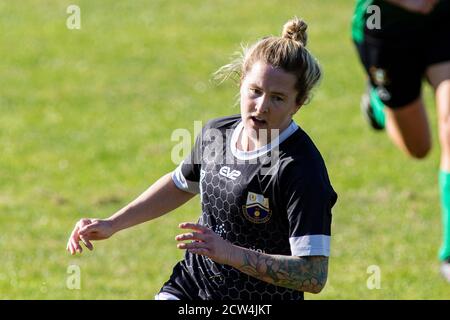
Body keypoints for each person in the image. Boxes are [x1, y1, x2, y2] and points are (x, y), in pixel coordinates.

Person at [66, 17, 338, 300]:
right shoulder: (216, 134)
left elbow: (313, 275)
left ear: (299, 103)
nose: (261, 106)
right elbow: (180, 184)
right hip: (193, 284)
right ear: (241, 83)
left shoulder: (301, 170)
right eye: (255, 92)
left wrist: (228, 253)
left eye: (278, 98)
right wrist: (112, 223)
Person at [352, 0, 450, 281]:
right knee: (418, 148)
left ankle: (449, 252)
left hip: (441, 19)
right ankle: (378, 104)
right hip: (385, 24)